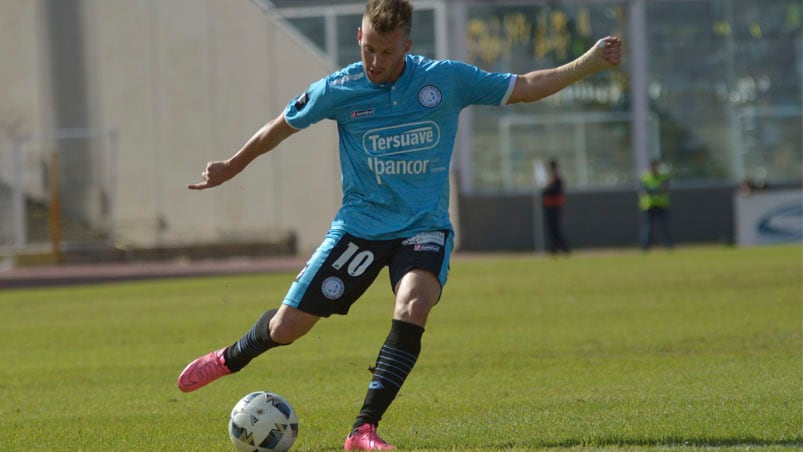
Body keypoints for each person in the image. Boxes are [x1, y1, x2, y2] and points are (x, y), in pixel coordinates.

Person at [177, 1, 621, 449]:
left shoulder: (445, 80)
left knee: (414, 304)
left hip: (423, 226)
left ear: (406, 46)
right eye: (369, 48)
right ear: (359, 38)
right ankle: (228, 358)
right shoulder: (339, 87)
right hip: (360, 227)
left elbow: (523, 86)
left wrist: (588, 63)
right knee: (286, 329)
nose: (375, 61)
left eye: (387, 52)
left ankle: (363, 429)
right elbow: (282, 125)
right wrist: (234, 166)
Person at [639, 159, 673, 250]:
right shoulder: (645, 177)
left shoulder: (663, 177)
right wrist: (657, 190)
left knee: (664, 227)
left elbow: (665, 188)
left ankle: (668, 246)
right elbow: (644, 190)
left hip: (661, 205)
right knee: (648, 228)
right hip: (649, 206)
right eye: (652, 166)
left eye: (656, 166)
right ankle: (645, 247)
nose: (654, 168)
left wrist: (653, 190)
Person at [541, 158, 570, 254]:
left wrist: (545, 191)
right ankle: (554, 248)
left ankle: (564, 248)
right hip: (550, 206)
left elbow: (555, 190)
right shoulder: (552, 178)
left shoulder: (557, 178)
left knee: (556, 228)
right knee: (552, 228)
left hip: (555, 206)